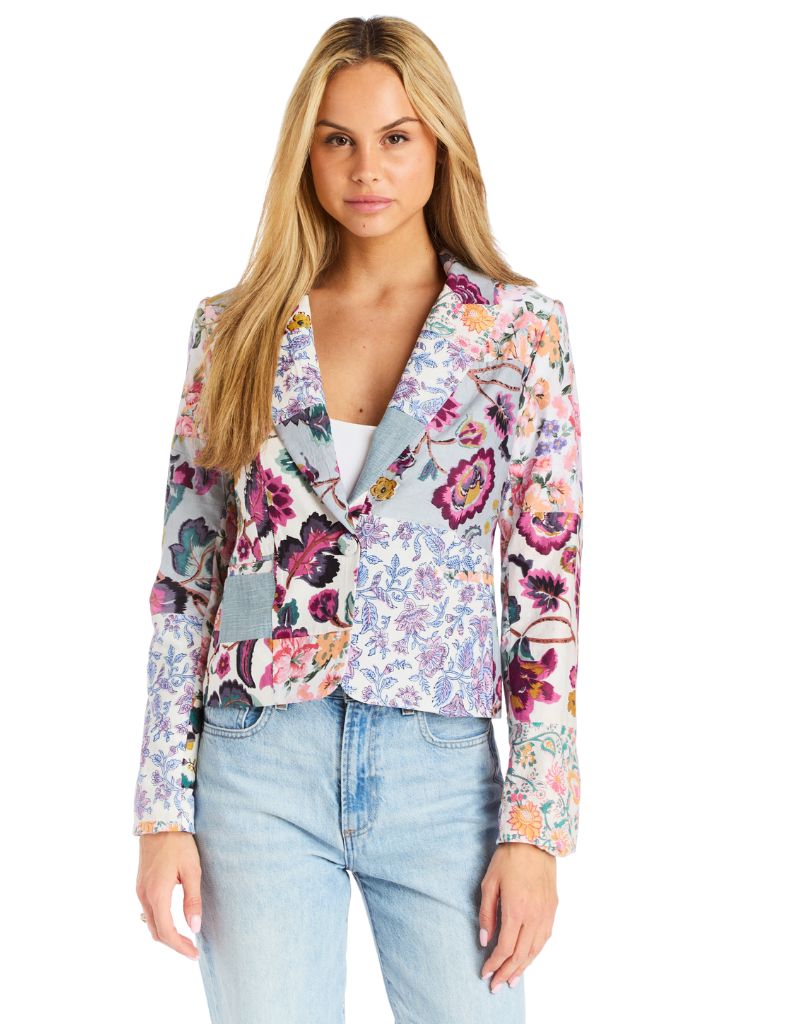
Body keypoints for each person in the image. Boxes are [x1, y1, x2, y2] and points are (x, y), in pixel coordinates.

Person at [134, 15, 583, 1023]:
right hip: (257, 756)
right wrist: (162, 809)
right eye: (336, 138)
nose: (365, 167)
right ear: (305, 151)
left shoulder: (516, 333)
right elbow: (187, 581)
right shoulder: (237, 328)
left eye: (395, 137)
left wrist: (535, 831)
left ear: (440, 146)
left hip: (440, 766)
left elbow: (546, 591)